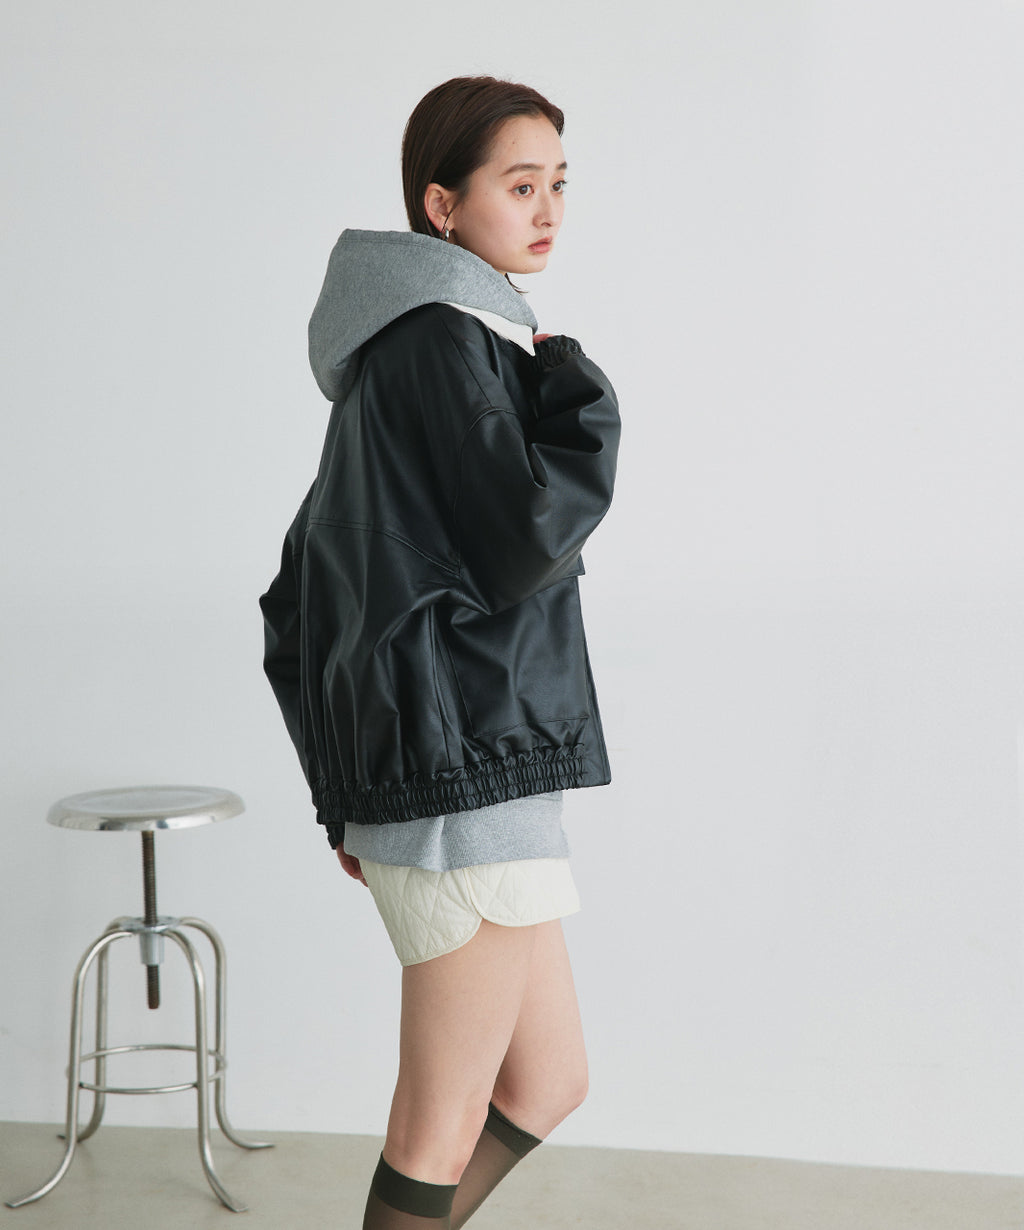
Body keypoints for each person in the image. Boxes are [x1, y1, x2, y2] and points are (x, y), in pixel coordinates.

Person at [260, 75, 620, 1228]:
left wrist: (348, 792)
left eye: (557, 183)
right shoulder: (443, 340)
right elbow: (522, 541)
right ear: (441, 204)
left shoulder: (415, 344)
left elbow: (305, 593)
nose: (546, 209)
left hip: (465, 764)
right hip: (465, 773)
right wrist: (577, 394)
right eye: (519, 185)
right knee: (437, 1122)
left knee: (547, 1082)